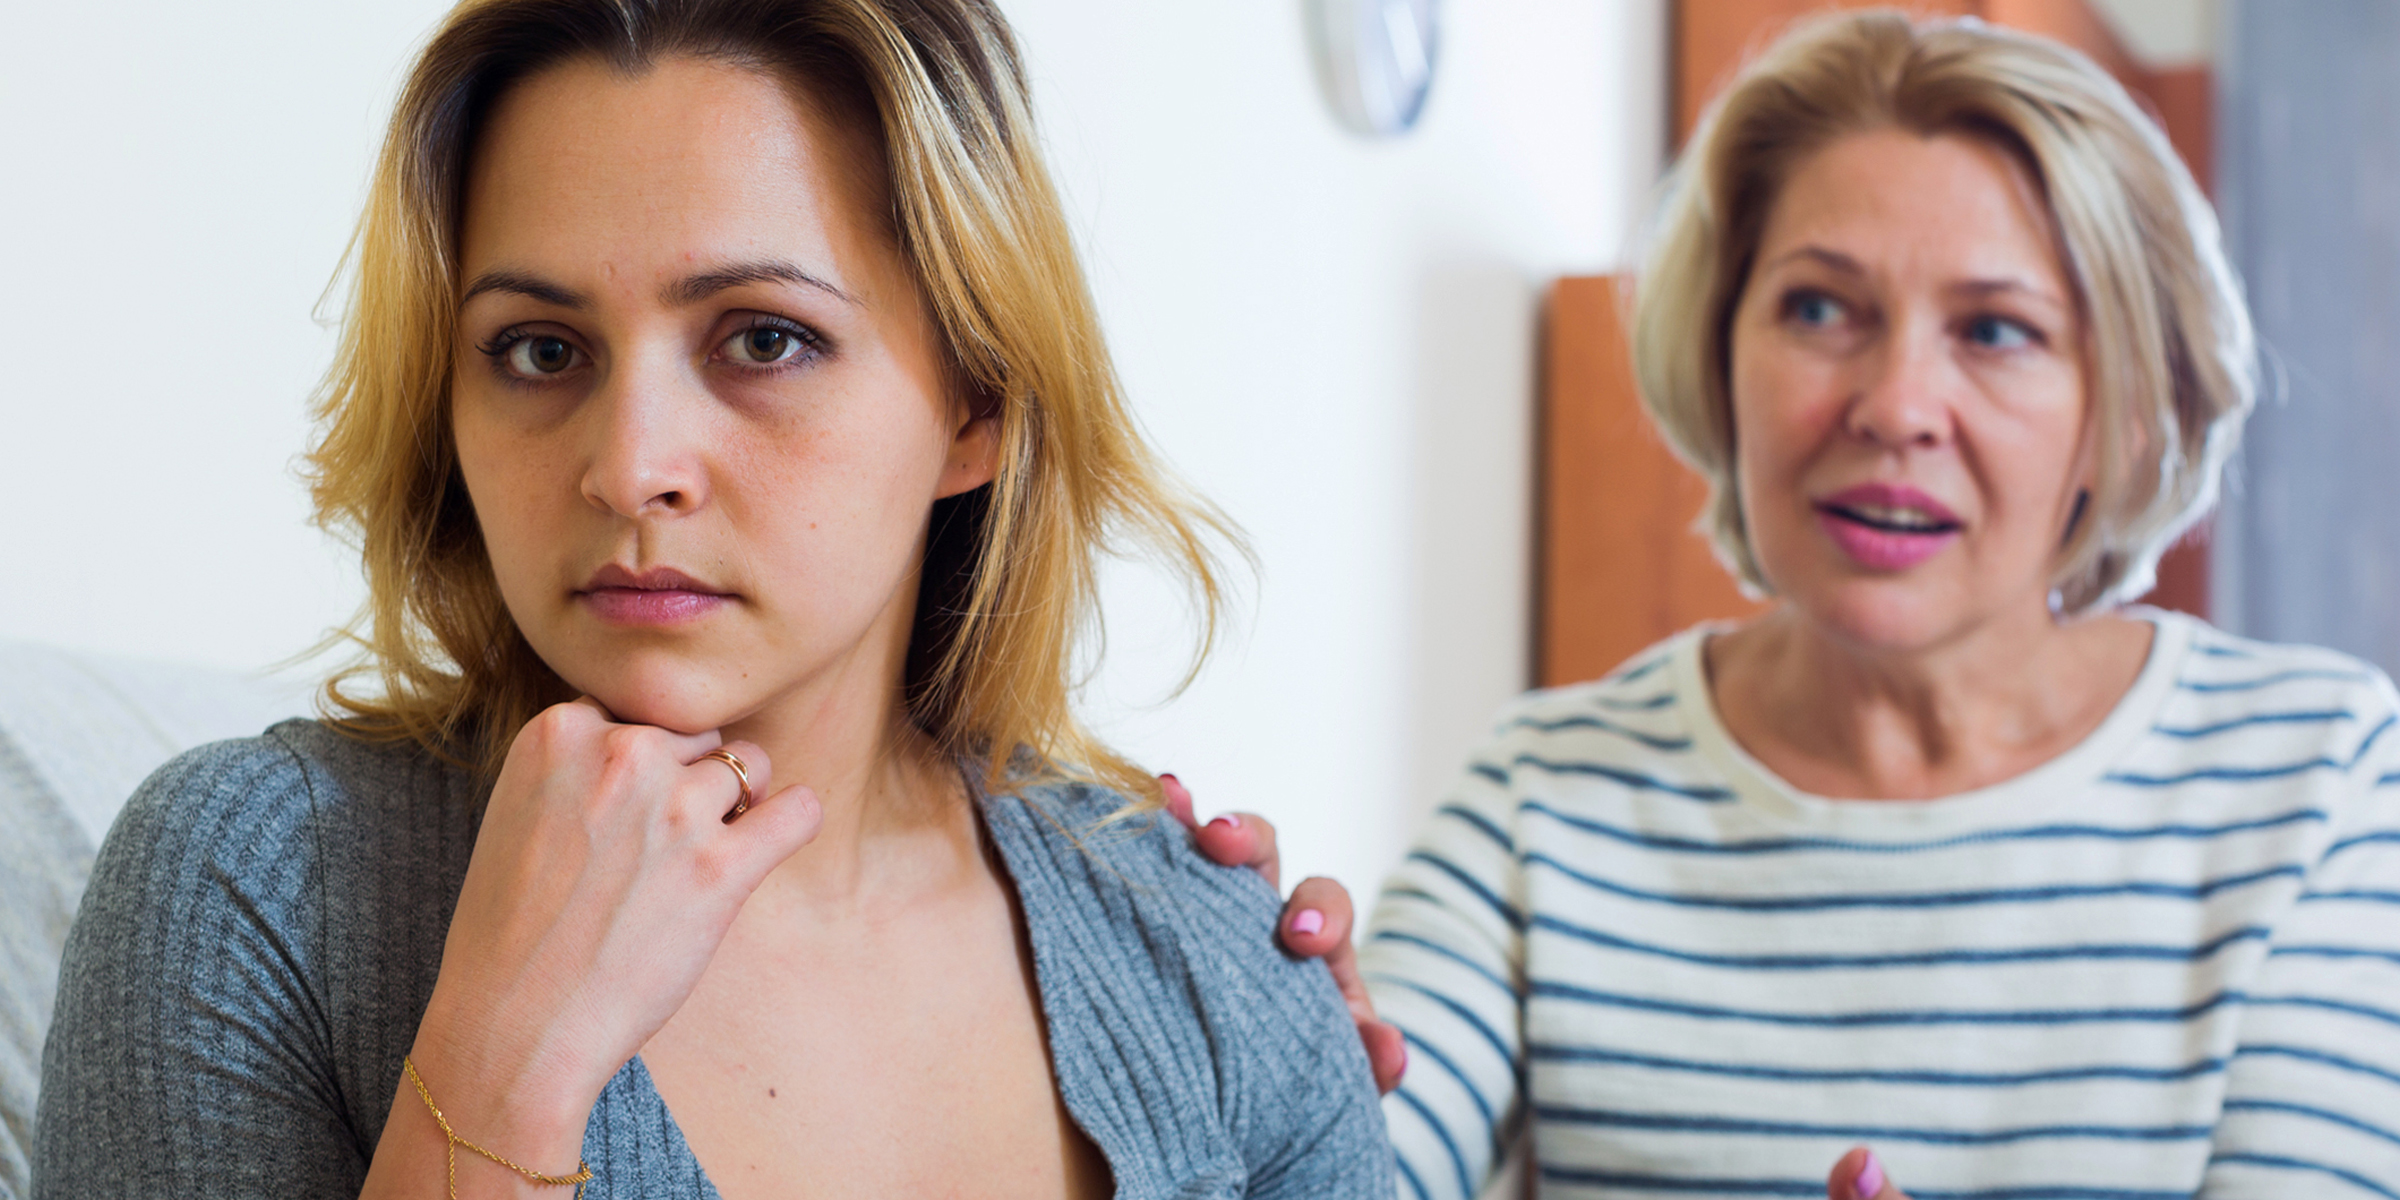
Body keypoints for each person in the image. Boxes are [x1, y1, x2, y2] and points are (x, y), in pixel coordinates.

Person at [32, 2, 1394, 1197]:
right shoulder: (257, 885)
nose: (630, 468)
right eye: (540, 348)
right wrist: (503, 1070)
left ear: (976, 402)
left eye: (763, 338)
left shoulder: (1220, 961)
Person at [1175, 10, 2400, 1199]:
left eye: (1995, 329)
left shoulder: (2321, 778)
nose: (1894, 404)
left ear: (2123, 415)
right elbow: (1358, 1163)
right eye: (1820, 308)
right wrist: (1275, 1073)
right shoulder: (1541, 793)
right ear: (1720, 354)